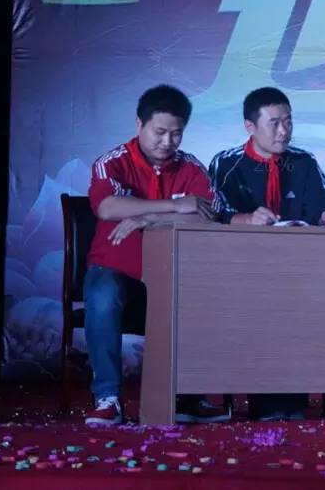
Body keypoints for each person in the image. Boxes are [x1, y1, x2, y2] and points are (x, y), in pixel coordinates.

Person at [83, 84, 229, 426]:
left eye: (176, 134)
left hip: (173, 271)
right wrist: (175, 206)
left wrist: (148, 219)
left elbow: (210, 214)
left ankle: (189, 398)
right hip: (118, 270)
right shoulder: (112, 163)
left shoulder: (191, 167)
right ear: (139, 124)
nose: (167, 142)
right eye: (159, 132)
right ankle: (107, 398)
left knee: (205, 292)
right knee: (102, 296)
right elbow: (108, 207)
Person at [209, 86, 325, 420]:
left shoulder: (304, 162)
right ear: (250, 127)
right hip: (240, 268)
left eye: (288, 121)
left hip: (298, 268)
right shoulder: (226, 163)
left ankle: (294, 397)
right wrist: (245, 219)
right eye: (274, 123)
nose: (283, 131)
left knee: (304, 295)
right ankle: (267, 400)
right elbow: (214, 214)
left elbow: (321, 211)